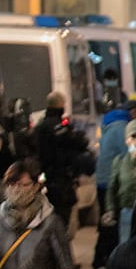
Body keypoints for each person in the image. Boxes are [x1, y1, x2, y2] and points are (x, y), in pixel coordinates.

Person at [93, 102, 136, 269]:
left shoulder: (110, 123)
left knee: (108, 225)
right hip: (112, 180)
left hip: (103, 178)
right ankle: (103, 261)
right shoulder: (122, 128)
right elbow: (129, 155)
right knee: (111, 225)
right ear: (133, 112)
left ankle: (102, 261)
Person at [34, 92, 89, 224]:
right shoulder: (59, 126)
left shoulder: (41, 125)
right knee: (61, 217)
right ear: (59, 105)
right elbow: (78, 143)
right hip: (60, 178)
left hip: (47, 175)